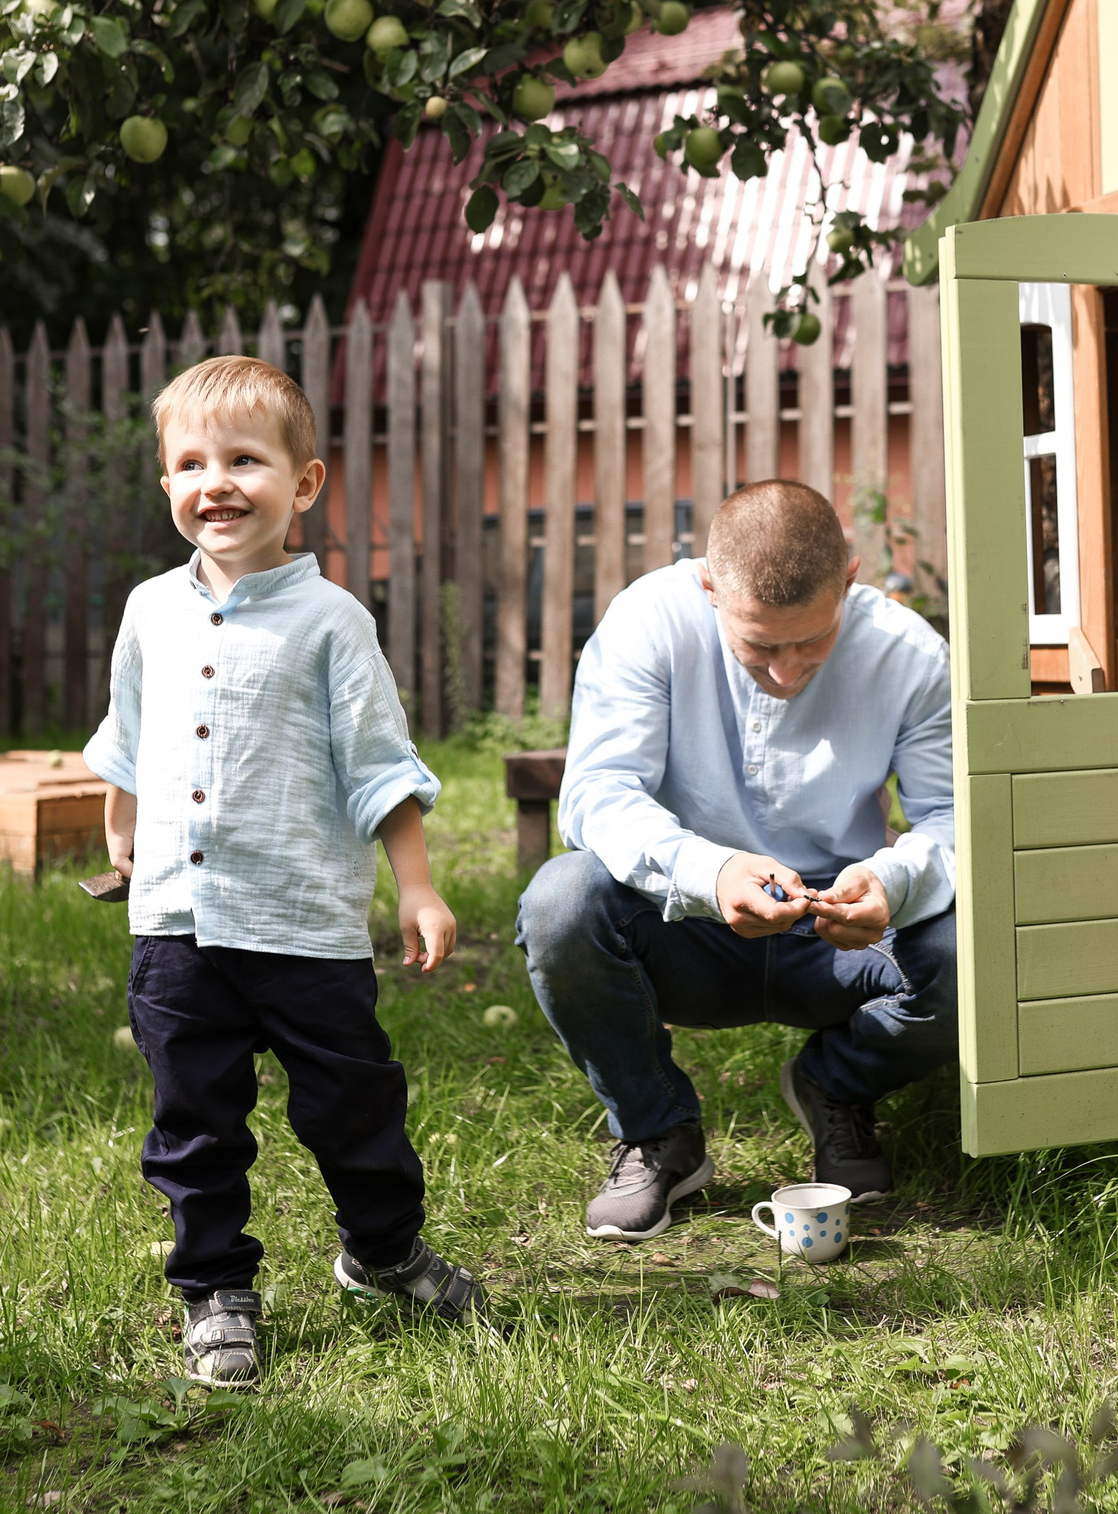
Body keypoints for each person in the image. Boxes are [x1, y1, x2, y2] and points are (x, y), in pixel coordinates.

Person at [86, 355, 484, 1389]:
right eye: (190, 463)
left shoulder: (332, 623)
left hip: (303, 926)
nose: (215, 482)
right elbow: (127, 733)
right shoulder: (148, 612)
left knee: (355, 1105)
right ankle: (215, 1288)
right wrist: (119, 823)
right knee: (194, 1120)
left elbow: (379, 765)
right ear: (166, 484)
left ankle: (383, 1251)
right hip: (176, 926)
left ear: (303, 484)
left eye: (244, 460)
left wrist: (417, 883)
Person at [517, 479, 955, 1241]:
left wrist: (892, 879)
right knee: (560, 902)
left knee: (972, 947)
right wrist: (709, 873)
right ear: (708, 585)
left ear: (849, 579)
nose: (786, 672)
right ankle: (659, 1131)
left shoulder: (911, 655)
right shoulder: (646, 623)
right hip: (685, 922)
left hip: (841, 933)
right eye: (758, 644)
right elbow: (596, 796)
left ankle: (836, 1085)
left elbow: (954, 818)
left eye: (811, 641)